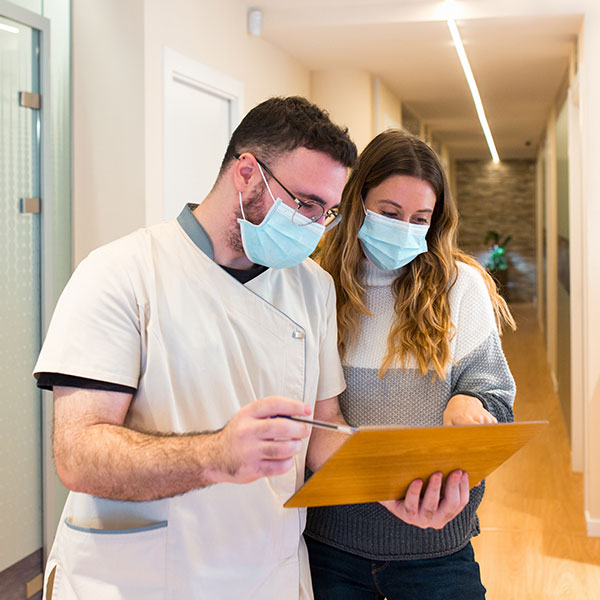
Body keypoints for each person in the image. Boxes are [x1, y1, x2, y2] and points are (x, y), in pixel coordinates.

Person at [34, 96, 360, 599]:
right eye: (305, 204)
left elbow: (322, 430)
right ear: (247, 173)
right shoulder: (122, 272)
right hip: (136, 580)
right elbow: (78, 454)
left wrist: (396, 487)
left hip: (265, 574)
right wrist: (216, 455)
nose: (317, 227)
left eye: (329, 211)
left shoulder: (312, 287)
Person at [304, 129, 516, 600]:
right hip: (330, 544)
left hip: (436, 548)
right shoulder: (313, 284)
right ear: (356, 202)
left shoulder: (460, 286)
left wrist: (470, 402)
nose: (405, 230)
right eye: (389, 213)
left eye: (420, 218)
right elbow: (309, 416)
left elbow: (497, 400)